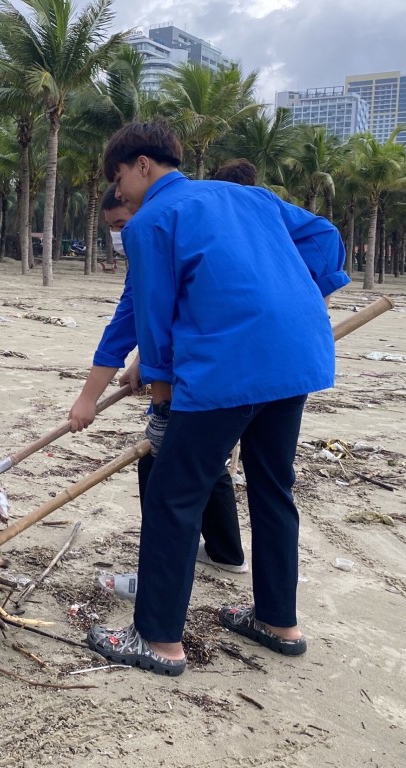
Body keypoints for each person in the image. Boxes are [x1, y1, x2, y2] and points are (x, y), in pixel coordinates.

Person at [85, 122, 349, 676]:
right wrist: (299, 295)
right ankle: (278, 622)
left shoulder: (154, 219)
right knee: (274, 488)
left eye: (119, 179)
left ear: (141, 164)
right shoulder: (249, 197)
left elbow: (152, 321)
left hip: (229, 368)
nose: (121, 194)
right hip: (295, 357)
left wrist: (160, 403)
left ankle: (156, 639)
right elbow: (325, 236)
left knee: (173, 497)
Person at [72, 182, 253, 601]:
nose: (120, 236)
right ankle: (226, 551)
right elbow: (167, 313)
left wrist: (89, 399)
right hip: (237, 367)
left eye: (121, 223)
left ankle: (155, 584)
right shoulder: (205, 225)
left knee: (160, 470)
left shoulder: (155, 233)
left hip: (202, 376)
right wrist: (146, 363)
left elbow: (128, 319)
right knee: (208, 460)